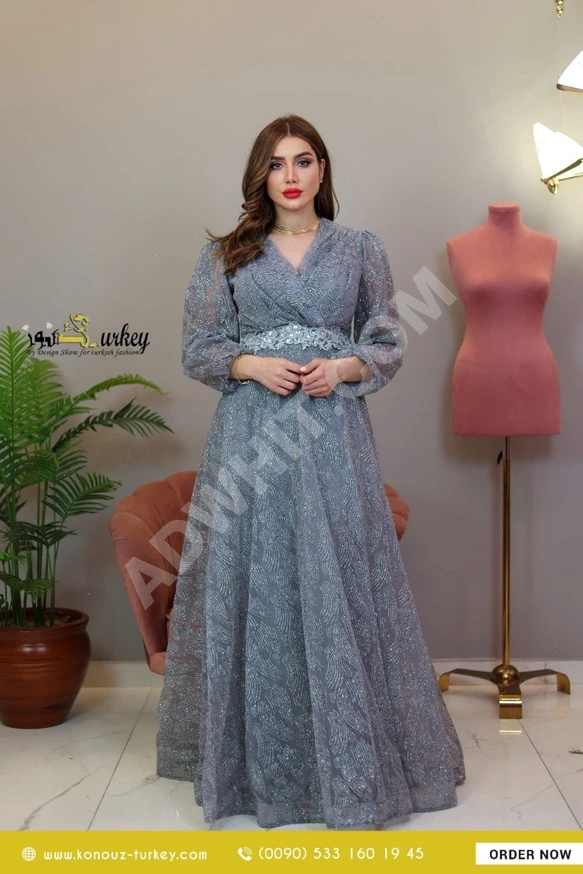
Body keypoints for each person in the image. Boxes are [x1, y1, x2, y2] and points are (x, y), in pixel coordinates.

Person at [156, 113, 466, 831]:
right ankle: (257, 770)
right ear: (260, 176)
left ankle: (354, 765)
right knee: (258, 582)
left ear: (322, 170)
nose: (290, 176)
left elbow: (385, 340)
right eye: (275, 164)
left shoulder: (360, 248)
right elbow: (198, 347)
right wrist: (249, 364)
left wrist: (344, 368)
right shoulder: (224, 254)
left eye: (302, 161)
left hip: (332, 434)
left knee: (342, 581)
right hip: (252, 439)